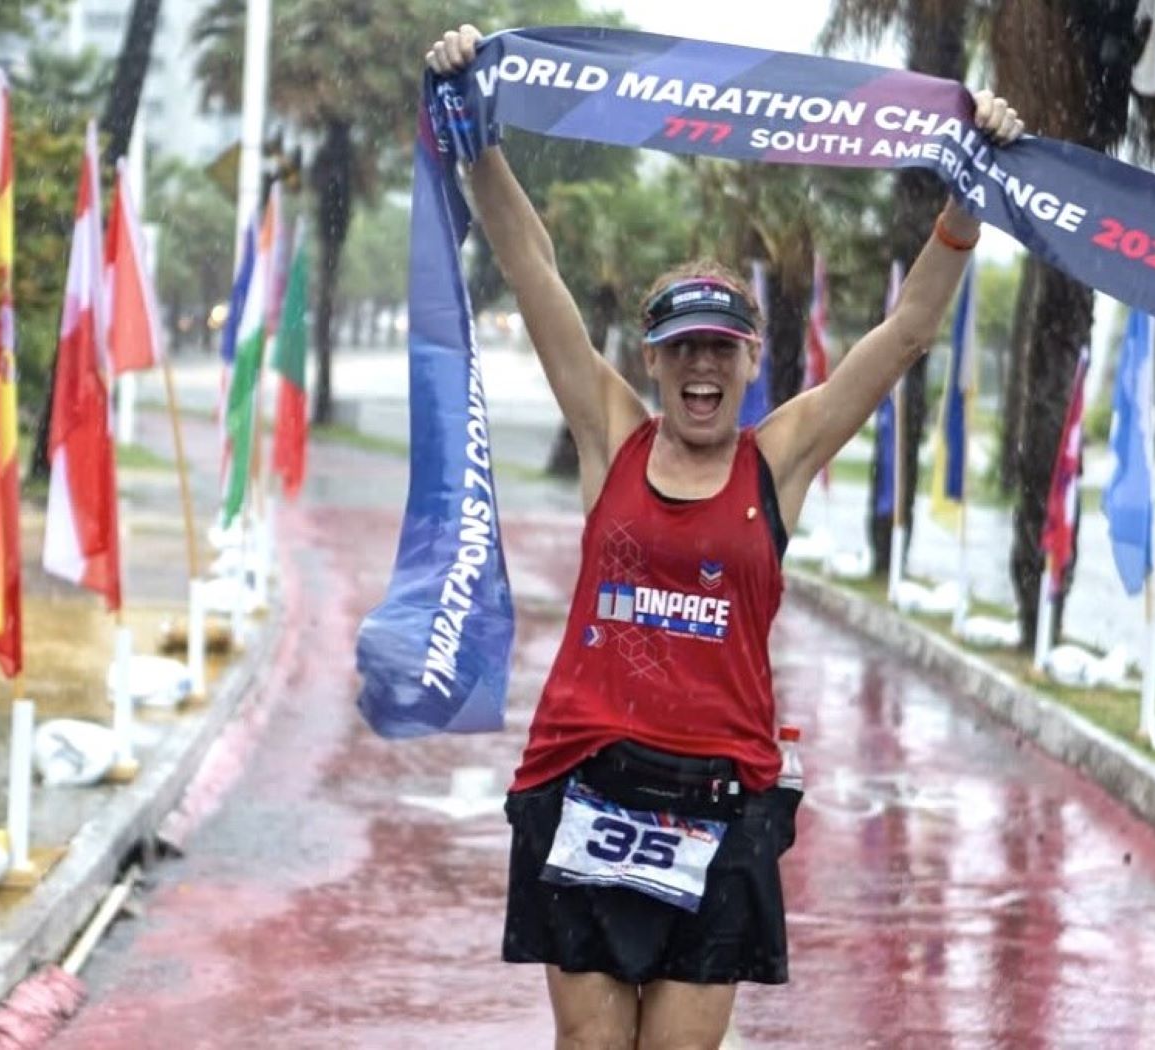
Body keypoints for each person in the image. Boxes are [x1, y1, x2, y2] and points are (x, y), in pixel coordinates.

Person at [425, 23, 1024, 1050]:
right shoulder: (609, 428)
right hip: (586, 778)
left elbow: (905, 335)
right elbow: (533, 274)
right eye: (679, 351)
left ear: (750, 363)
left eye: (720, 350)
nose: (699, 369)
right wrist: (475, 136)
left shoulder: (775, 458)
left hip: (718, 800)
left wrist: (964, 204)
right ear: (654, 364)